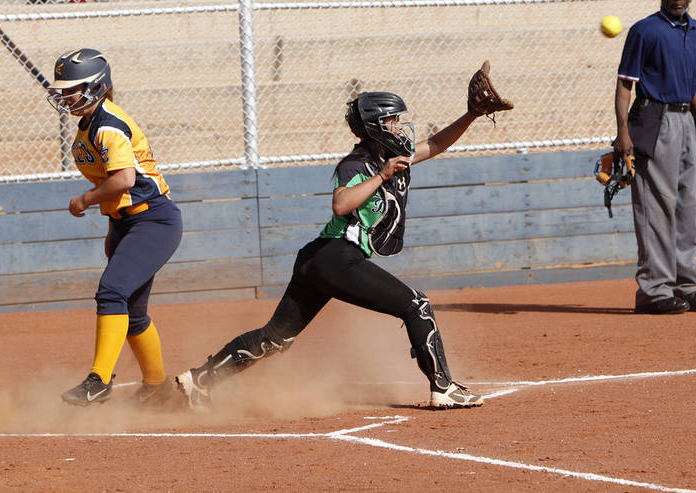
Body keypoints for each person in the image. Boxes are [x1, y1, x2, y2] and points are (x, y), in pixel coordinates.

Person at [175, 90, 489, 410]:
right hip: (336, 256)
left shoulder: (390, 157)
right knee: (415, 304)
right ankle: (443, 387)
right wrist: (382, 176)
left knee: (276, 338)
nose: (399, 127)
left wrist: (471, 115)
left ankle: (201, 379)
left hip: (321, 258)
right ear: (375, 126)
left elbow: (435, 145)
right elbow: (341, 204)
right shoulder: (357, 163)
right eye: (392, 121)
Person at [46, 48, 183, 408]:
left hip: (153, 219)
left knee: (111, 292)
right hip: (130, 222)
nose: (64, 95)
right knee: (132, 312)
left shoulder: (107, 125)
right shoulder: (87, 127)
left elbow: (123, 179)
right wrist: (114, 228)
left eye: (71, 88)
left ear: (95, 87)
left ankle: (98, 381)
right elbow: (118, 186)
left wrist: (86, 199)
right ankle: (159, 390)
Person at [613, 0, 696, 315]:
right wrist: (622, 132)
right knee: (656, 206)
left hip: (687, 120)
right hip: (654, 119)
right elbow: (625, 84)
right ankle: (653, 290)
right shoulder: (645, 31)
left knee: (685, 206)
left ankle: (683, 284)